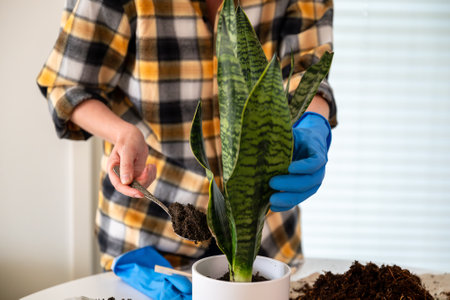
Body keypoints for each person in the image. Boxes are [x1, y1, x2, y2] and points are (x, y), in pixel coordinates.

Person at [37, 0, 336, 273]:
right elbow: (68, 84)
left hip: (264, 230)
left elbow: (308, 72)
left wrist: (313, 125)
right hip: (149, 234)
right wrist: (122, 133)